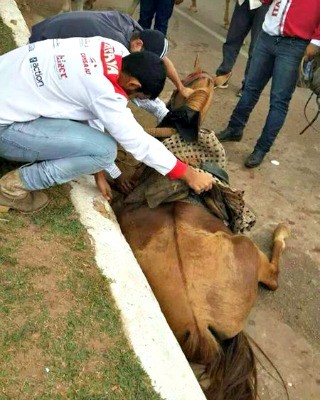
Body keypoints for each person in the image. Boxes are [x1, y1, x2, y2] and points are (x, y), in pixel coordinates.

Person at [0, 37, 214, 213]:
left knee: (97, 147)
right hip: (4, 126)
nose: (130, 100)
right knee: (105, 152)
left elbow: (91, 116)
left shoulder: (110, 47)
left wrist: (98, 172)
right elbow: (138, 143)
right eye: (136, 96)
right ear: (133, 84)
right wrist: (188, 173)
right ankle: (11, 190)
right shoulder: (105, 92)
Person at [217, 0, 320, 168]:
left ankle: (261, 149)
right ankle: (234, 128)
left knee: (279, 101)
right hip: (267, 36)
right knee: (250, 88)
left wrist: (316, 41)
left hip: (295, 45)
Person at [29, 10, 191, 103]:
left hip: (45, 28)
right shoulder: (115, 46)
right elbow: (131, 87)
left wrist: (180, 87)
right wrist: (160, 111)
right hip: (39, 47)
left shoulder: (132, 27)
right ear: (138, 45)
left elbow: (161, 61)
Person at [215, 0, 269, 96]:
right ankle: (223, 74)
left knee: (255, 48)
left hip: (264, 5)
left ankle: (247, 86)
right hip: (244, 2)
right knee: (232, 39)